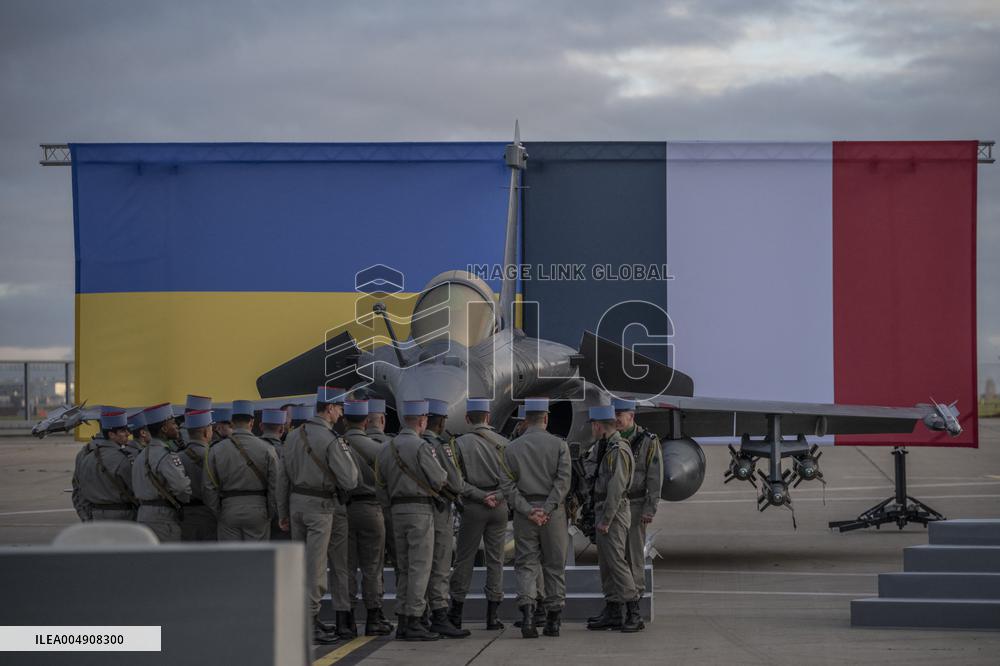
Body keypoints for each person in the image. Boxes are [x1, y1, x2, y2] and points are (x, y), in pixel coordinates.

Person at [277, 387, 358, 646]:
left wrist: (282, 512)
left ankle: (304, 616)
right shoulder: (330, 439)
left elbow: (282, 479)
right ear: (330, 409)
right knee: (315, 567)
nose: (341, 413)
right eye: (339, 408)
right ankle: (310, 621)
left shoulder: (292, 437)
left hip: (295, 504)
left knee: (299, 566)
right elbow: (350, 479)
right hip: (320, 507)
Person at [374, 400, 448, 642]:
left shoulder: (386, 447)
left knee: (403, 567)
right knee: (420, 567)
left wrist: (390, 507)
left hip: (395, 510)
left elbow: (380, 485)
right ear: (421, 421)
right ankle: (415, 619)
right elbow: (438, 480)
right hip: (420, 510)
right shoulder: (421, 447)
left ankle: (404, 619)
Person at [502, 397, 571, 638]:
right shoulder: (559, 446)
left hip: (525, 513)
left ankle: (529, 616)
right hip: (553, 514)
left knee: (526, 565)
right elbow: (563, 483)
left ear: (525, 420)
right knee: (554, 565)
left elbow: (507, 486)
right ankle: (553, 620)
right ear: (546, 418)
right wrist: (548, 508)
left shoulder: (512, 448)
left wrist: (528, 509)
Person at [448, 398, 507, 630]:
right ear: (488, 417)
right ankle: (492, 616)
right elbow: (512, 480)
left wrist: (480, 496)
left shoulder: (458, 444)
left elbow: (456, 481)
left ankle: (456, 613)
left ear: (467, 418)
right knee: (496, 561)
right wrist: (497, 496)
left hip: (473, 506)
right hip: (499, 507)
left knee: (464, 559)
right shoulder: (504, 442)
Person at [585, 404, 640, 632]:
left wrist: (606, 519)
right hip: (603, 509)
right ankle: (614, 610)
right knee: (606, 564)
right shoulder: (603, 447)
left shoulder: (618, 449)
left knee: (617, 562)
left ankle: (634, 611)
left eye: (593, 426)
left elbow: (616, 487)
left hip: (613, 512)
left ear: (598, 425)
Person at [341, 399, 393, 636]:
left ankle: (347, 620)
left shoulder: (336, 445)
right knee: (373, 566)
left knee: (346, 566)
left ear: (344, 420)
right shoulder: (382, 448)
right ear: (367, 421)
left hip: (344, 509)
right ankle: (374, 617)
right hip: (373, 508)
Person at [420, 398, 469, 639]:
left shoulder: (406, 444)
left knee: (415, 566)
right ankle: (439, 615)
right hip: (439, 512)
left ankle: (417, 616)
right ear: (440, 423)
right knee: (439, 565)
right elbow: (457, 483)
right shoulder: (441, 447)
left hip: (413, 512)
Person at [614, 397, 661, 624]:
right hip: (615, 506)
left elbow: (654, 476)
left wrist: (649, 509)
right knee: (616, 556)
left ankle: (636, 607)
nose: (615, 420)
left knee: (634, 557)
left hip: (635, 506)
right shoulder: (610, 439)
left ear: (631, 416)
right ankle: (618, 605)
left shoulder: (648, 441)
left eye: (619, 416)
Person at [204, 404, 279, 542]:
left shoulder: (216, 450)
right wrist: (269, 512)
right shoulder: (267, 448)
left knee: (231, 560)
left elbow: (209, 486)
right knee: (257, 559)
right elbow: (275, 485)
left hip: (228, 508)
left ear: (232, 422)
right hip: (258, 509)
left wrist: (219, 512)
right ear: (252, 422)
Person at [132, 403, 192, 542]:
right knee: (168, 562)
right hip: (163, 518)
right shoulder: (166, 455)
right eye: (172, 423)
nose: (176, 426)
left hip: (143, 514)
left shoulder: (141, 454)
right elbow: (181, 487)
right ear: (164, 428)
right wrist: (184, 501)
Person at [71, 409, 137, 522]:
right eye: (122, 430)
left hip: (94, 517)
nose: (128, 433)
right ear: (111, 434)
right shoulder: (123, 458)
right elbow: (136, 490)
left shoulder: (84, 455)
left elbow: (78, 491)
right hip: (123, 517)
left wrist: (86, 517)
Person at [177, 408, 217, 541]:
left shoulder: (177, 457)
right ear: (206, 432)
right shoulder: (214, 455)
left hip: (185, 515)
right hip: (210, 514)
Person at [366, 399, 396, 569]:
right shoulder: (393, 446)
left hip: (359, 506)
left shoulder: (348, 444)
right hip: (389, 507)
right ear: (383, 420)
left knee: (369, 563)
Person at [258, 408, 289, 540]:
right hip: (281, 509)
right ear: (282, 429)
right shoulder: (287, 450)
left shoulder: (252, 447)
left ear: (261, 426)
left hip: (257, 507)